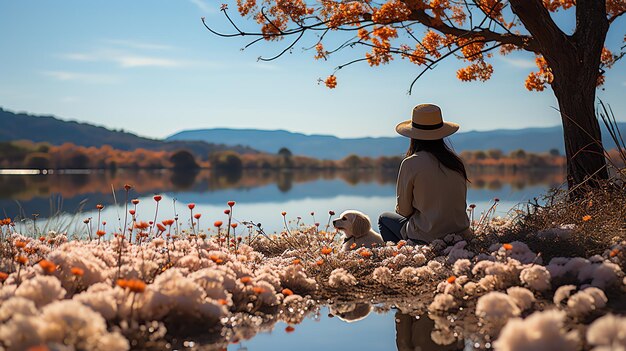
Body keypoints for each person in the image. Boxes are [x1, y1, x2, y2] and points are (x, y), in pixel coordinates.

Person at [378, 103, 471, 244]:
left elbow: (403, 211)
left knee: (384, 218)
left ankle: (400, 254)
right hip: (461, 235)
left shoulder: (410, 163)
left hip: (429, 236)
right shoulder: (455, 162)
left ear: (413, 136)